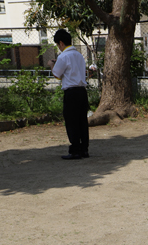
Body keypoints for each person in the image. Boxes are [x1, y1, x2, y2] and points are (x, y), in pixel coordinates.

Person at [48, 29, 89, 160]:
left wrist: (51, 65)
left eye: (57, 45)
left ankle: (75, 149)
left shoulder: (63, 56)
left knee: (71, 121)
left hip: (71, 92)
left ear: (61, 43)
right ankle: (84, 149)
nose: (58, 48)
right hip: (82, 91)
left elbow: (57, 74)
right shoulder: (79, 55)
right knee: (82, 121)